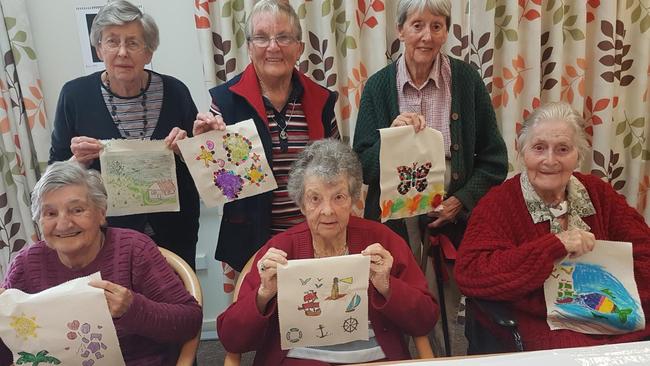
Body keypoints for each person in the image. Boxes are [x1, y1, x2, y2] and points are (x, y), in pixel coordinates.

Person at [217, 139, 438, 364]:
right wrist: (264, 294)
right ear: (301, 204)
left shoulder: (382, 241)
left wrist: (388, 287)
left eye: (338, 197)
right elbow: (232, 339)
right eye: (315, 198)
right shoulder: (281, 249)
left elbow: (425, 319)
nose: (327, 211)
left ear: (353, 199)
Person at [454, 102, 650, 351]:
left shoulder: (599, 194)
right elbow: (471, 273)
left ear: (578, 154)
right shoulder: (498, 204)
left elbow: (644, 253)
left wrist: (612, 295)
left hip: (612, 312)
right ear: (522, 152)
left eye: (562, 149)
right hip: (543, 322)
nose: (550, 160)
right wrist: (553, 247)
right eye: (539, 148)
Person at [0, 161, 202, 366]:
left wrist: (132, 309)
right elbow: (8, 351)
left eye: (77, 210)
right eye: (50, 214)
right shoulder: (26, 264)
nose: (63, 224)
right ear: (39, 221)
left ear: (101, 213)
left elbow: (190, 321)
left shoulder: (134, 250)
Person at [48, 0, 200, 269]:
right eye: (112, 42)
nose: (122, 52)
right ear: (99, 48)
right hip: (104, 236)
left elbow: (203, 163)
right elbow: (54, 175)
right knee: (114, 307)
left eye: (133, 43)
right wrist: (77, 162)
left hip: (174, 232)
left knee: (176, 306)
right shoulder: (74, 96)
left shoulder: (176, 92)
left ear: (149, 52)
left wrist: (186, 149)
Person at [193, 0, 339, 271]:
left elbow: (336, 172)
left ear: (299, 47)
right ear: (249, 47)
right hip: (253, 243)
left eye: (283, 37)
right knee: (258, 313)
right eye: (261, 38)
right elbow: (223, 188)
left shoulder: (321, 99)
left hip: (314, 238)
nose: (273, 47)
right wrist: (206, 150)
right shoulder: (226, 101)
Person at [353, 0, 507, 245]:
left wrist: (461, 201)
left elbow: (495, 162)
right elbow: (361, 168)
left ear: (446, 32)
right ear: (400, 30)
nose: (427, 36)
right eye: (417, 25)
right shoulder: (377, 87)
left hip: (454, 215)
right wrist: (390, 140)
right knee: (398, 281)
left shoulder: (467, 81)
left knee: (452, 282)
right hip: (393, 218)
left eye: (436, 26)